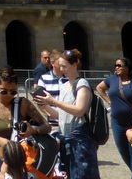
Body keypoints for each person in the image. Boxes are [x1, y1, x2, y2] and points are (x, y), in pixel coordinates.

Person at [0, 66, 50, 175]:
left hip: (22, 163)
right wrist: (0, 141)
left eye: (13, 92)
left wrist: (33, 130)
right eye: (4, 91)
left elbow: (47, 126)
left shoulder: (23, 104)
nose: (9, 95)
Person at [35, 48, 100, 179]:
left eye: (64, 66)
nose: (61, 69)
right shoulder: (65, 86)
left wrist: (53, 101)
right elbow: (61, 114)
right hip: (67, 141)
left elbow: (79, 110)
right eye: (60, 66)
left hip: (81, 141)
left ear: (74, 65)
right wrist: (45, 106)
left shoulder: (82, 84)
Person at [97, 56, 132, 178]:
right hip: (117, 123)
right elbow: (99, 88)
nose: (117, 67)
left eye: (120, 65)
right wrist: (108, 101)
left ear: (128, 68)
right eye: (116, 65)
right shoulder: (112, 80)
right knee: (123, 151)